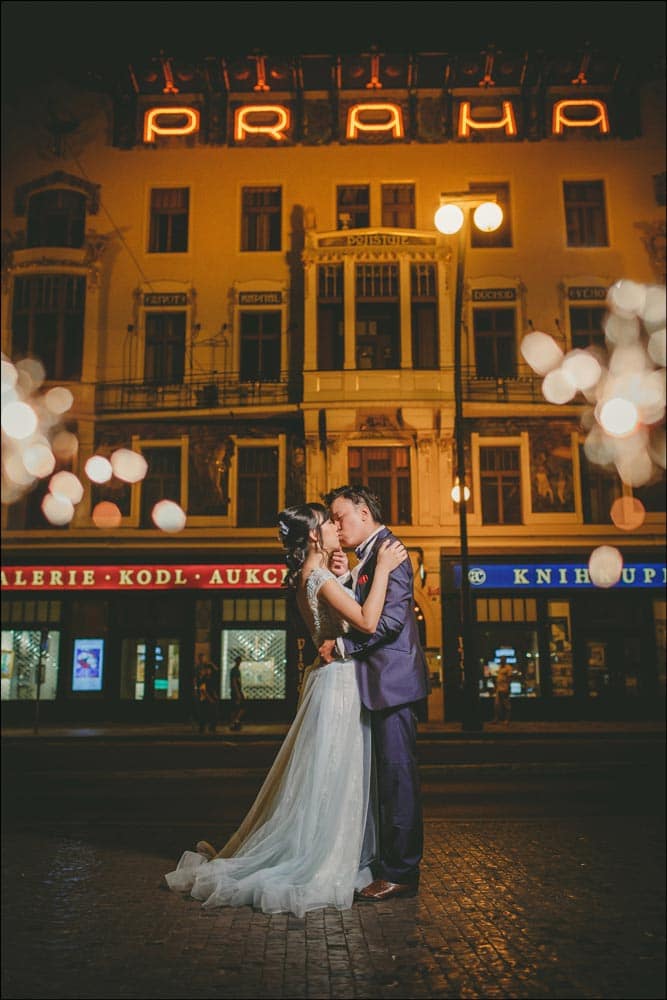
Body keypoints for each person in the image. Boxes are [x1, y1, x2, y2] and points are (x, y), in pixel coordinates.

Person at [164, 502, 408, 917]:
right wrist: (382, 567)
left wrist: (344, 570)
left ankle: (335, 849)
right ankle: (326, 856)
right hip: (340, 683)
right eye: (328, 523)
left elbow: (338, 613)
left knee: (330, 775)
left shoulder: (310, 576)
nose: (335, 526)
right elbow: (367, 622)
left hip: (330, 681)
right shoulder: (319, 579)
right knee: (336, 773)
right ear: (314, 535)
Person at [321, 484, 430, 902]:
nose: (335, 524)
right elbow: (366, 600)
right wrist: (346, 576)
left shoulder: (391, 552)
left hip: (393, 684)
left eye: (339, 516)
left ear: (363, 513)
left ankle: (402, 873)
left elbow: (387, 623)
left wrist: (344, 646)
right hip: (379, 684)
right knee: (384, 780)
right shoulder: (370, 553)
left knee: (398, 779)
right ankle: (390, 864)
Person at [193, 653, 219, 735]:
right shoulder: (199, 670)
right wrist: (195, 689)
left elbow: (216, 670)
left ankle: (208, 726)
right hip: (204, 695)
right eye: (201, 658)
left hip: (207, 694)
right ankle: (203, 726)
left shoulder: (208, 669)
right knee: (204, 712)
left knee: (210, 712)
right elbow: (200, 685)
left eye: (203, 658)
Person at [493, 657, 513, 725]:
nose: (501, 661)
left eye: (502, 660)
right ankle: (496, 719)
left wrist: (508, 687)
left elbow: (510, 678)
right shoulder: (500, 667)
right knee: (497, 705)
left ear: (505, 660)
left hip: (504, 689)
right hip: (498, 689)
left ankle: (507, 720)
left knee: (506, 705)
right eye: (501, 660)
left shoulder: (508, 668)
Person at [229, 655, 246, 730]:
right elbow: (234, 682)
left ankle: (234, 722)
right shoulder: (235, 670)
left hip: (236, 691)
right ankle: (234, 721)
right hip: (236, 692)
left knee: (236, 708)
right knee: (239, 707)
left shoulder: (235, 669)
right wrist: (238, 693)